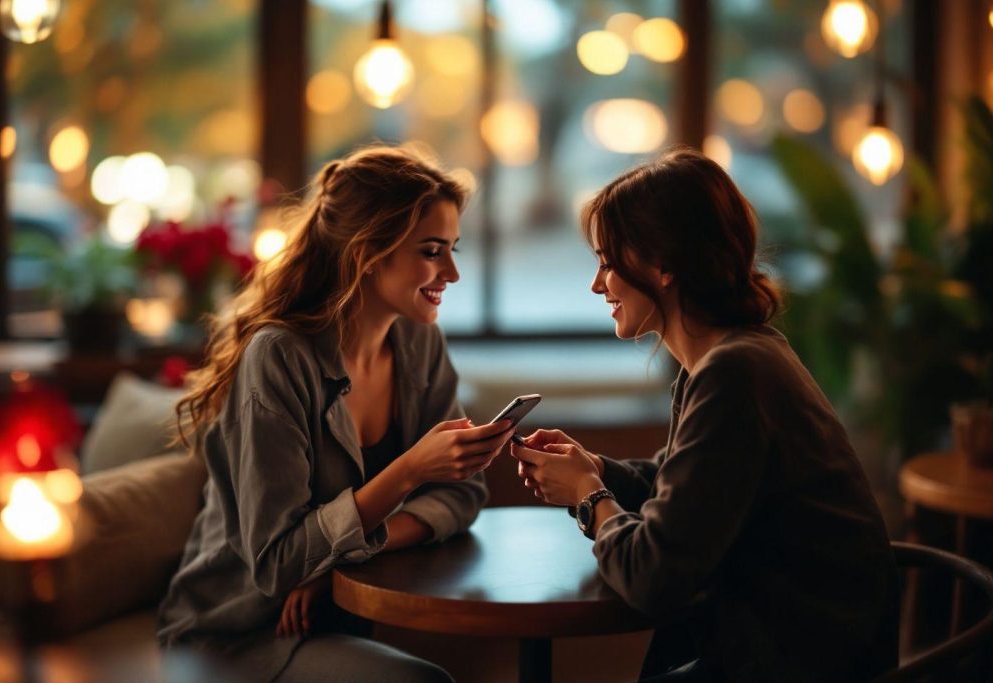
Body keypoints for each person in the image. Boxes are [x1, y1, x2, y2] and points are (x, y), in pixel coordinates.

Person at [511, 148, 899, 682]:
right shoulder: (735, 355)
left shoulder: (732, 372)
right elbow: (684, 486)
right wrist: (594, 468)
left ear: (664, 264)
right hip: (790, 642)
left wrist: (588, 496)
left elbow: (652, 579)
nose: (597, 285)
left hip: (803, 661)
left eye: (607, 261)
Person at [158, 146, 514, 682]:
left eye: (453, 249)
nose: (454, 273)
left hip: (328, 618)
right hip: (236, 632)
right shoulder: (280, 356)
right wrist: (410, 470)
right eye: (433, 251)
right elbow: (278, 564)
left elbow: (463, 494)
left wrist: (346, 559)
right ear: (368, 253)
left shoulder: (419, 343)